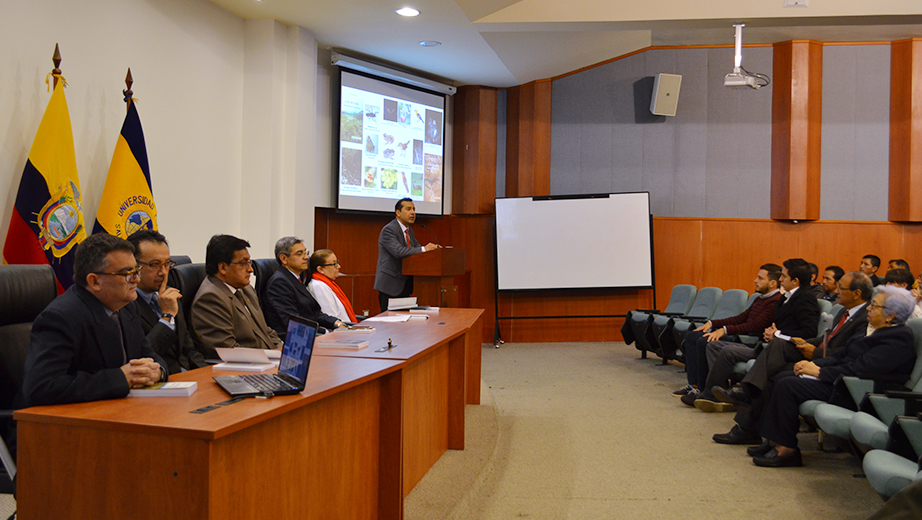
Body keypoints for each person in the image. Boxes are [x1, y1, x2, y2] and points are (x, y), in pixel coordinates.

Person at [751, 285, 917, 467]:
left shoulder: (898, 338)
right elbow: (842, 356)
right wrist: (813, 364)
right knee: (782, 376)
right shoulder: (876, 331)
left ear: (891, 315)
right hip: (845, 381)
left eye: (874, 306)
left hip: (861, 391)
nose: (868, 308)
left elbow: (862, 368)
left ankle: (787, 450)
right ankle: (774, 441)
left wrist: (820, 372)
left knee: (788, 385)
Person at [710, 271, 872, 445]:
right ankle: (750, 413)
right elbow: (827, 339)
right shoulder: (844, 312)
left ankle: (749, 421)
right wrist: (804, 343)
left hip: (828, 366)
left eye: (841, 287)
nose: (836, 291)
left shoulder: (865, 319)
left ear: (857, 293)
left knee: (772, 375)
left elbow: (848, 353)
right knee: (778, 346)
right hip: (818, 356)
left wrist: (815, 353)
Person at [21, 233, 168, 407]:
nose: (136, 279)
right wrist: (120, 378)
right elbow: (42, 388)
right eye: (127, 274)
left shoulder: (127, 307)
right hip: (61, 424)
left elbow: (149, 355)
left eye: (136, 271)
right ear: (95, 281)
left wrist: (157, 371)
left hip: (119, 409)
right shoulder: (61, 318)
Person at [691, 258, 821, 412]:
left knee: (726, 350)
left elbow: (808, 332)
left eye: (784, 276)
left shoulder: (805, 298)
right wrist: (771, 332)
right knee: (713, 345)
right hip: (768, 346)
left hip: (785, 351)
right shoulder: (786, 298)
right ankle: (713, 393)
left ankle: (730, 393)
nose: (780, 279)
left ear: (795, 281)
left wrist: (777, 334)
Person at [673, 264, 781, 402]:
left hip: (748, 340)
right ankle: (693, 384)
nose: (755, 280)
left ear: (772, 283)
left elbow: (755, 326)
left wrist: (724, 330)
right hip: (740, 335)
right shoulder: (760, 298)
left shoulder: (775, 302)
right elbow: (741, 318)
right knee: (692, 336)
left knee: (704, 341)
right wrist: (712, 323)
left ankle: (703, 387)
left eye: (760, 278)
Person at [126, 230, 206, 374]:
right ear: (134, 266)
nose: (163, 272)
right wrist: (167, 316)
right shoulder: (125, 303)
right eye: (154, 265)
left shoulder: (170, 293)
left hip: (187, 378)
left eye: (167, 264)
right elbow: (141, 356)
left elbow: (189, 349)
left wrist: (205, 376)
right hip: (159, 381)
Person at [190, 234, 282, 357]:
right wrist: (272, 358)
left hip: (267, 360)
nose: (251, 269)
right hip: (245, 368)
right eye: (243, 263)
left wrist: (284, 352)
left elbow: (266, 331)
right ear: (222, 267)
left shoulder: (246, 289)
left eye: (249, 262)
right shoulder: (210, 298)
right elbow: (228, 350)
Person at [263, 237, 345, 337]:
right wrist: (326, 333)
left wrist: (336, 323)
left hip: (314, 333)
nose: (306, 257)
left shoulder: (297, 278)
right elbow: (293, 323)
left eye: (306, 252)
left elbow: (314, 313)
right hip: (296, 340)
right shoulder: (279, 283)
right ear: (284, 259)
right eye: (299, 254)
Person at [374, 197, 438, 312]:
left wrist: (434, 250)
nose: (413, 212)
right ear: (398, 213)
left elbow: (416, 250)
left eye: (414, 209)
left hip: (405, 285)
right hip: (390, 285)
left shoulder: (409, 231)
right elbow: (399, 251)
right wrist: (424, 249)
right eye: (408, 209)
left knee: (403, 324)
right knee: (390, 324)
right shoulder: (389, 230)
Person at [308, 249, 358, 324]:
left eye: (337, 262)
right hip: (339, 330)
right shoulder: (319, 286)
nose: (339, 266)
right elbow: (330, 316)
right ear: (320, 269)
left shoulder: (329, 283)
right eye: (334, 264)